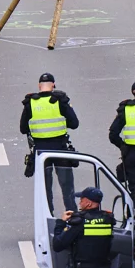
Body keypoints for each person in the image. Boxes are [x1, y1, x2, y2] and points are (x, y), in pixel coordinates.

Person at [21, 73, 81, 213]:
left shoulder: (31, 102)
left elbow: (23, 128)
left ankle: (48, 217)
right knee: (67, 188)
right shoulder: (60, 100)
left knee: (45, 189)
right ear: (53, 85)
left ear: (39, 86)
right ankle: (72, 217)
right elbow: (74, 123)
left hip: (41, 151)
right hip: (61, 149)